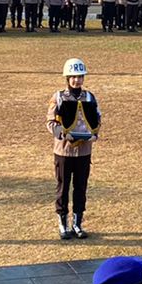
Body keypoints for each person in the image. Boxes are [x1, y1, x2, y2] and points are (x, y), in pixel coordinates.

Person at [49, 58, 100, 239]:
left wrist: (95, 134)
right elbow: (51, 122)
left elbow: (97, 119)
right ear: (67, 78)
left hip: (84, 151)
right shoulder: (59, 97)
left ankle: (77, 223)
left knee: (81, 187)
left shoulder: (90, 97)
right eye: (73, 77)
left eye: (80, 76)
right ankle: (63, 223)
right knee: (63, 187)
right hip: (64, 151)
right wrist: (63, 134)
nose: (77, 80)